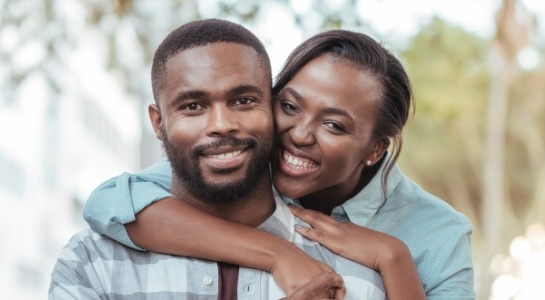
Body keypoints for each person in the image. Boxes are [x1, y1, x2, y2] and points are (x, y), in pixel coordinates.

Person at [83, 20, 476, 299]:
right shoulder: (245, 165)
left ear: (376, 149)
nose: (300, 135)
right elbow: (112, 203)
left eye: (335, 126)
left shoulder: (437, 233)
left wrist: (394, 257)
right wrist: (278, 255)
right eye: (289, 106)